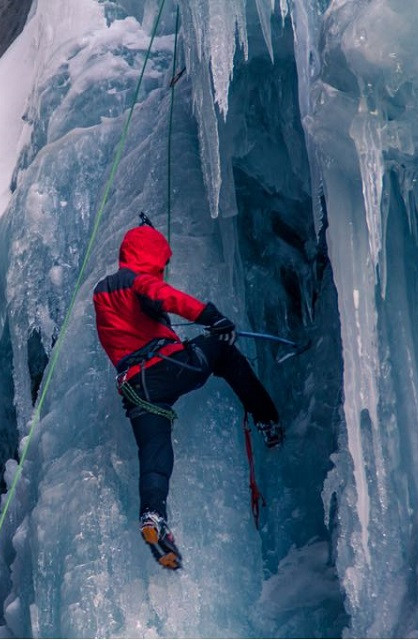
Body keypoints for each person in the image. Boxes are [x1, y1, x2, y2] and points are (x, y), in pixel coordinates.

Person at [92, 217, 283, 570]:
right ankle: (269, 422)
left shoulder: (103, 292)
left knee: (155, 453)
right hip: (163, 369)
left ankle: (153, 516)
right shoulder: (138, 281)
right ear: (151, 258)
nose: (163, 270)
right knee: (222, 352)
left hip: (135, 388)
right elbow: (165, 296)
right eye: (161, 263)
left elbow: (134, 320)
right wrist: (212, 318)